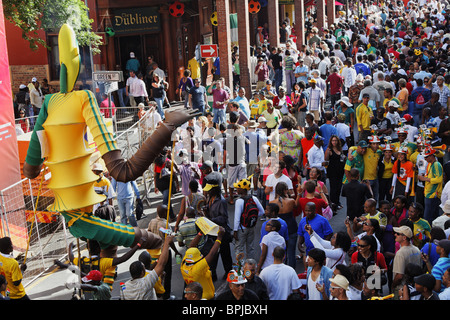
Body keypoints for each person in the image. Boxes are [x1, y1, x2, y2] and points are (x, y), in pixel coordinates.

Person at [180, 226, 225, 300]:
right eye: (200, 256)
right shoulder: (198, 269)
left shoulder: (184, 264)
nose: (202, 256)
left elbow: (191, 247)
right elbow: (212, 254)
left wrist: (200, 233)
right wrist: (219, 238)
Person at [123, 234, 173, 300]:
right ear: (142, 273)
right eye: (144, 269)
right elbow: (161, 264)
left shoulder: (124, 286)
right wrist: (166, 243)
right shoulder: (146, 282)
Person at [233, 176, 265, 260]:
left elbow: (237, 218)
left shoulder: (239, 201)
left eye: (238, 187)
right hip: (251, 226)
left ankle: (241, 268)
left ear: (243, 189)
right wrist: (252, 217)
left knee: (239, 249)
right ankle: (250, 267)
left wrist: (235, 231)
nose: (237, 189)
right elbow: (262, 212)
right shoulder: (253, 198)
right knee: (250, 247)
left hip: (241, 228)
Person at [269, 182, 297, 268]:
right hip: (291, 227)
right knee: (291, 252)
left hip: (279, 229)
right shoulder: (291, 201)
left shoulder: (272, 202)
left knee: (280, 252)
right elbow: (296, 206)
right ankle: (292, 270)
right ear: (285, 190)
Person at [392, 225, 423, 295]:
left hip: (402, 290)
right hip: (414, 288)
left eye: (398, 234)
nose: (395, 234)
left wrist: (393, 286)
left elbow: (399, 276)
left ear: (404, 237)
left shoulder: (400, 253)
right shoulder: (417, 249)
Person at [418, 146, 443, 224]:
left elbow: (439, 179)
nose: (425, 159)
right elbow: (430, 176)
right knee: (429, 217)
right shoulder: (429, 164)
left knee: (428, 218)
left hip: (433, 195)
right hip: (428, 193)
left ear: (432, 155)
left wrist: (424, 179)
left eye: (426, 157)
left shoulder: (437, 164)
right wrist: (424, 176)